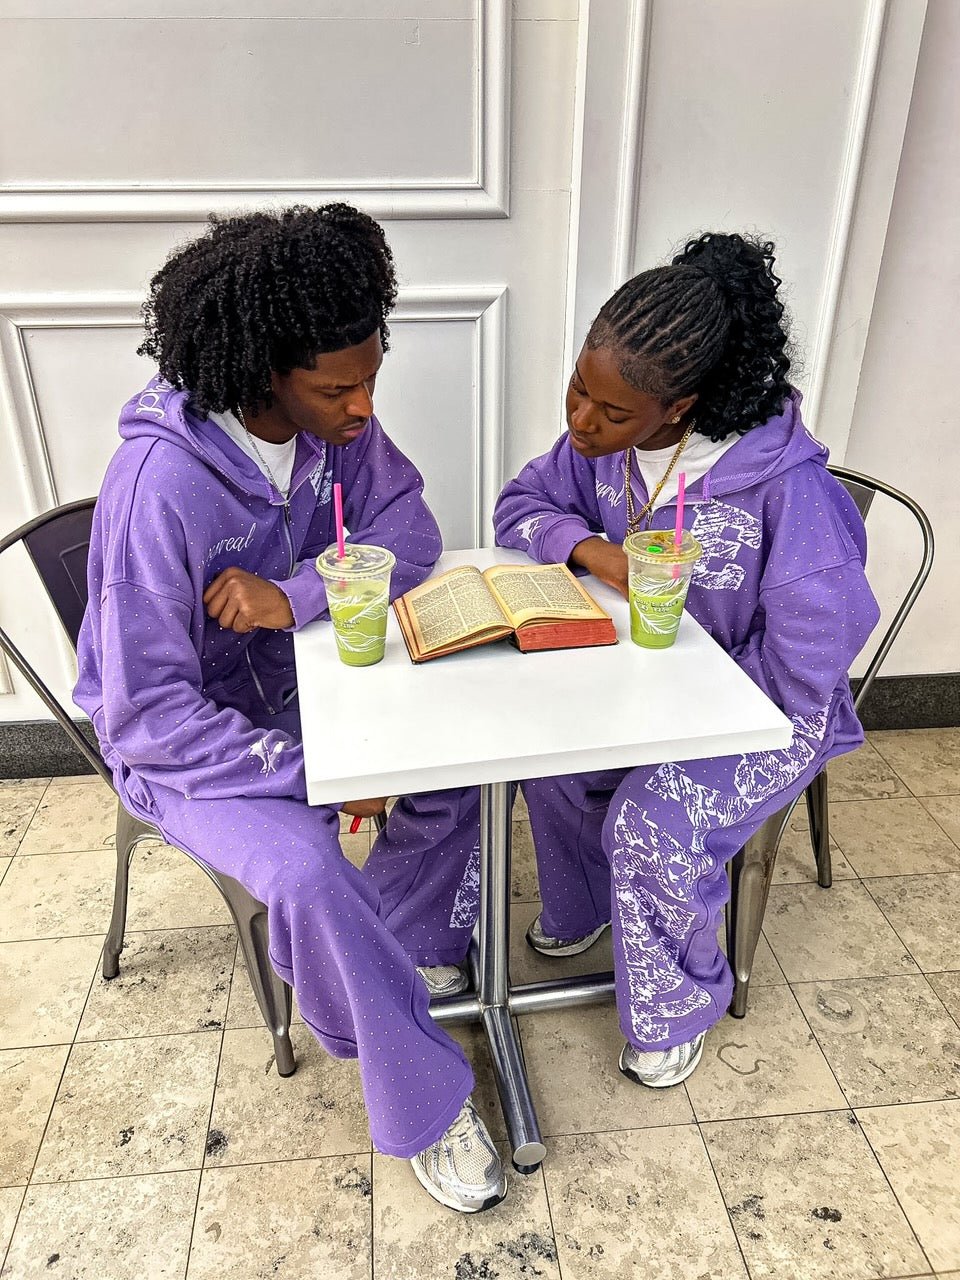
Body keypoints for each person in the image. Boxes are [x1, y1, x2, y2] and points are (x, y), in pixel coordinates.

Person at [367, 231, 880, 1091]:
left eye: (609, 412)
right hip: (643, 685)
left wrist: (690, 703)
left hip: (768, 713)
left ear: (680, 408)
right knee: (532, 749)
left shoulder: (787, 489)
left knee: (652, 824)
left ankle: (677, 1005)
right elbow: (520, 504)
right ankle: (576, 911)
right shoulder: (603, 448)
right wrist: (592, 553)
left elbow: (817, 646)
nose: (580, 421)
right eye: (578, 388)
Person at [74, 204, 506, 1213]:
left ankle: (408, 948)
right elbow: (144, 715)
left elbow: (410, 526)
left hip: (305, 685)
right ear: (263, 372)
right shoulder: (159, 486)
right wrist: (324, 773)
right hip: (185, 744)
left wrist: (298, 593)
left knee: (460, 758)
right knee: (309, 872)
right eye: (337, 389)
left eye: (371, 378)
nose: (363, 407)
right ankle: (425, 1098)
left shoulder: (333, 426)